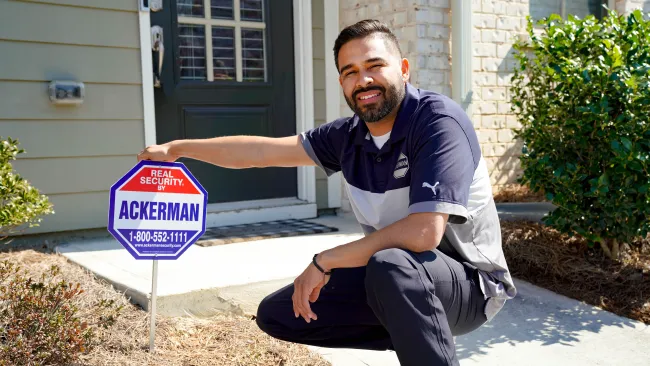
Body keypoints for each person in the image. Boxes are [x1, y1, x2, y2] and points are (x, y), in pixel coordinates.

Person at [137, 19, 517, 366]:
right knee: (282, 313)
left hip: (472, 286)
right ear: (342, 84)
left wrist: (325, 260)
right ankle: (416, 335)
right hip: (403, 280)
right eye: (350, 72)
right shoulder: (347, 137)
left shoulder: (437, 122)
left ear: (403, 69)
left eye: (374, 66)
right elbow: (260, 151)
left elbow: (423, 233)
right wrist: (177, 149)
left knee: (391, 264)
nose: (363, 80)